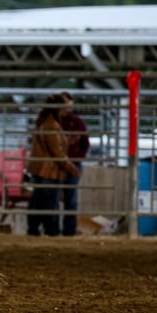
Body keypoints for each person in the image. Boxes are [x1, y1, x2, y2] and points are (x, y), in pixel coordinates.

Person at [26, 93, 81, 237]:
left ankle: (34, 229)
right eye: (63, 107)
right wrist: (72, 168)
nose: (66, 110)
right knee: (49, 203)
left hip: (41, 169)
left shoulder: (45, 122)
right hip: (49, 171)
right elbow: (57, 152)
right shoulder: (51, 125)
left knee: (38, 201)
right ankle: (52, 231)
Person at [58, 91, 90, 236]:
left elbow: (85, 143)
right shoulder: (54, 121)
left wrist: (78, 158)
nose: (66, 108)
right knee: (54, 199)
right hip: (58, 164)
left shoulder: (76, 122)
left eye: (68, 105)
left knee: (69, 200)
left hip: (70, 164)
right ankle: (54, 230)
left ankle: (68, 231)